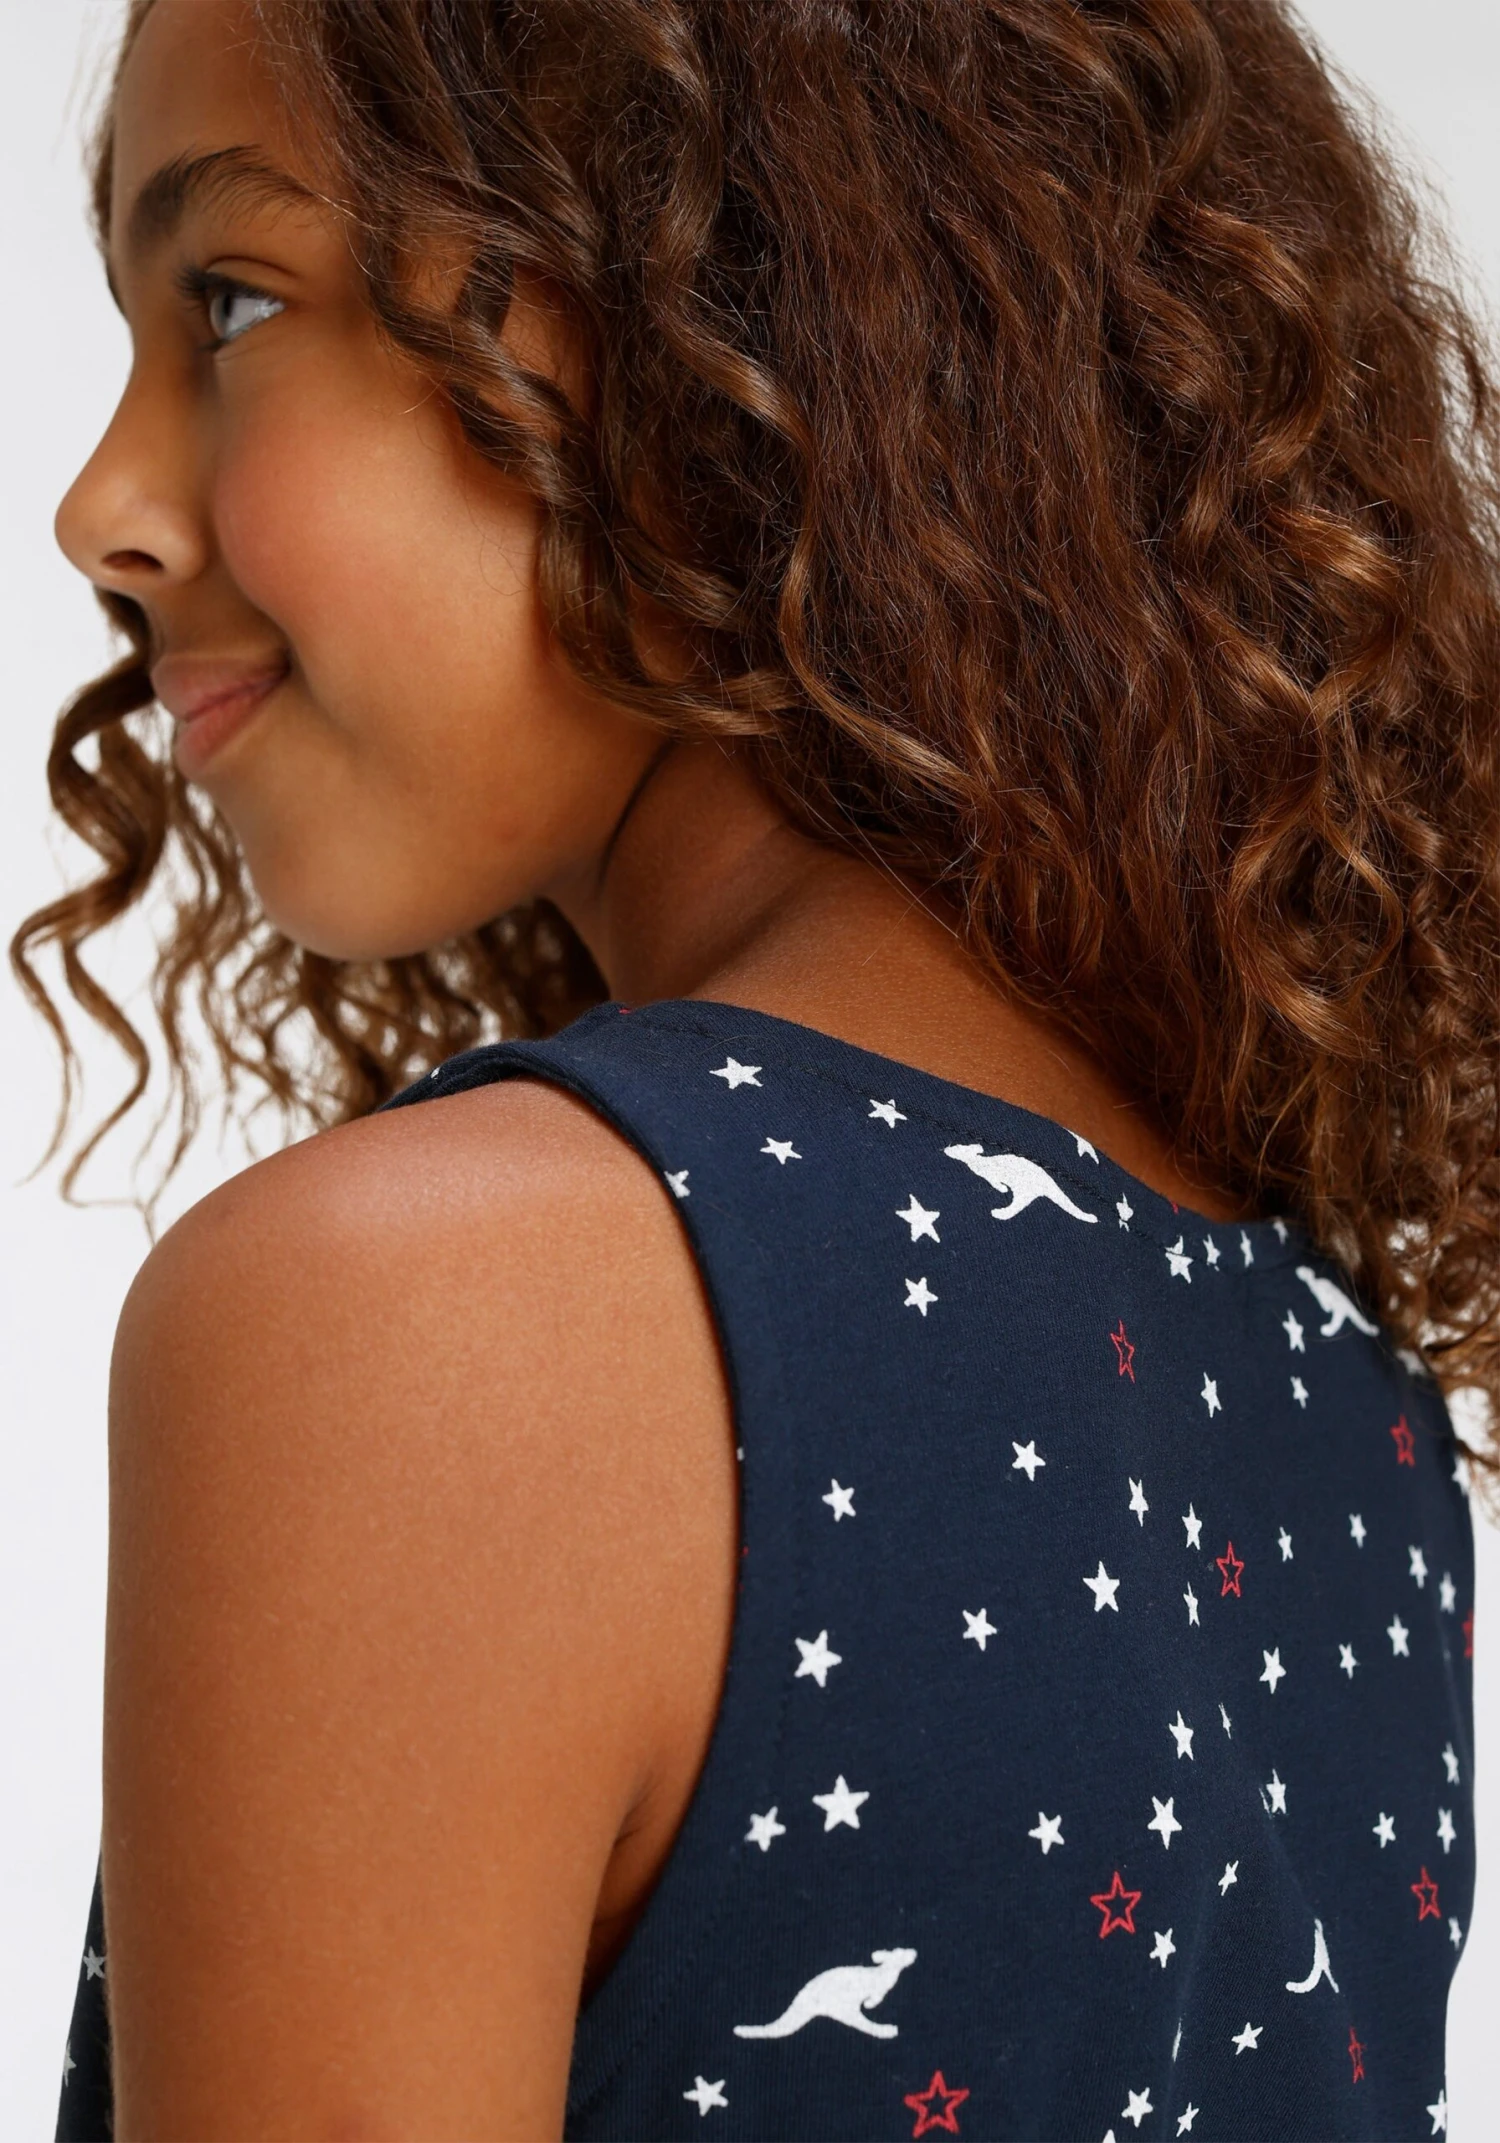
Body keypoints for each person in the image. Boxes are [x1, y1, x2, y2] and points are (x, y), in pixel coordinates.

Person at [20, 0, 1497, 2135]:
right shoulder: (1342, 1405)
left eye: (234, 301)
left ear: (714, 291)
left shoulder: (423, 1325)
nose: (102, 505)